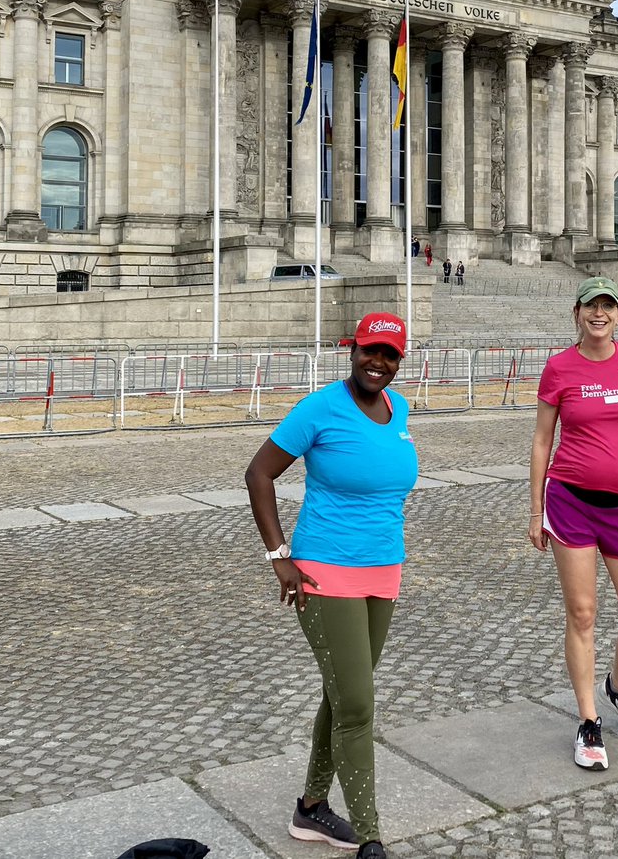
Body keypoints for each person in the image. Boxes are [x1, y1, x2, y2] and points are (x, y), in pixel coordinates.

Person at [245, 313, 418, 859]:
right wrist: (280, 557)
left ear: (399, 361)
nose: (378, 363)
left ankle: (311, 808)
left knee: (341, 694)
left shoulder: (399, 410)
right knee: (359, 703)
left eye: (389, 355)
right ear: (352, 350)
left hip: (383, 571)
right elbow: (259, 473)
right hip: (324, 573)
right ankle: (369, 833)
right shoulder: (321, 407)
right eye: (370, 351)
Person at [529, 276, 618, 771]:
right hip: (571, 501)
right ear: (576, 313)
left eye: (608, 306)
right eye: (591, 306)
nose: (599, 314)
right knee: (583, 614)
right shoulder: (559, 367)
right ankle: (587, 719)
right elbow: (543, 440)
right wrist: (535, 509)